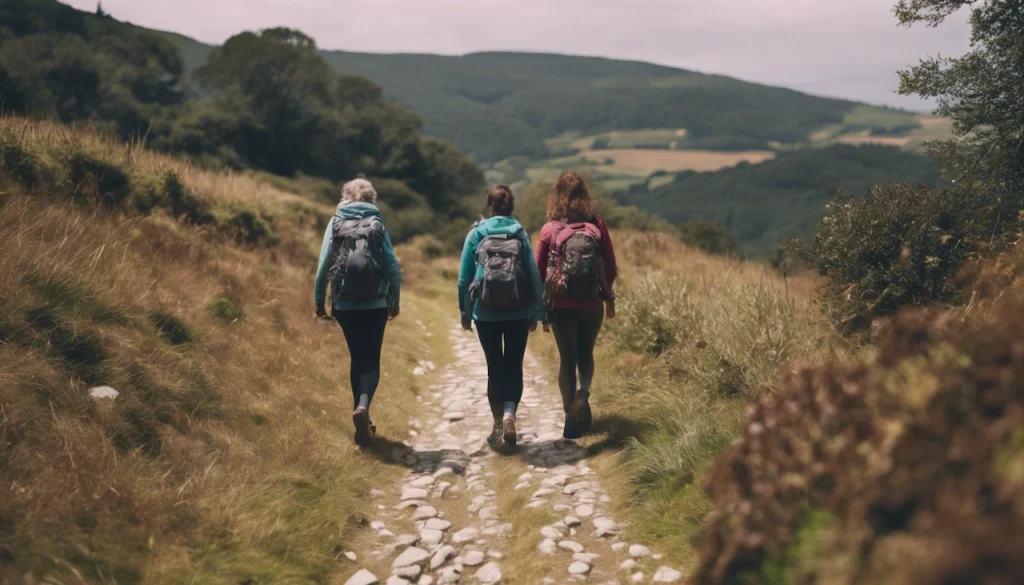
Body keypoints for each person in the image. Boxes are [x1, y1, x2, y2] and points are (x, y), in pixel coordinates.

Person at [314, 178, 402, 447]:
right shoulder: (377, 222)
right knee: (371, 360)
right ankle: (363, 407)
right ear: (372, 199)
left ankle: (362, 414)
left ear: (345, 197)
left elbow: (323, 264)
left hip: (345, 303)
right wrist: (394, 299)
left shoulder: (336, 221)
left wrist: (320, 302)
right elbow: (391, 266)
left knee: (357, 358)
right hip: (376, 302)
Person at [458, 185, 544, 451]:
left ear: (490, 206)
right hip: (519, 310)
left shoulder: (477, 233)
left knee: (495, 368)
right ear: (511, 206)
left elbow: (464, 278)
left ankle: (498, 426)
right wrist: (537, 312)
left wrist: (464, 312)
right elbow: (532, 273)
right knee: (514, 365)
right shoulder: (520, 233)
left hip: (486, 312)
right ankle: (509, 414)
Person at [535, 171, 618, 440]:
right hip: (591, 302)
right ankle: (583, 396)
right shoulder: (597, 224)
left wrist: (542, 305)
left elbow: (537, 271)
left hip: (561, 303)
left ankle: (571, 419)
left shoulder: (550, 229)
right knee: (587, 353)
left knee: (567, 358)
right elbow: (611, 266)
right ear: (584, 195)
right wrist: (603, 293)